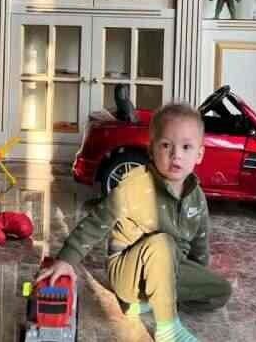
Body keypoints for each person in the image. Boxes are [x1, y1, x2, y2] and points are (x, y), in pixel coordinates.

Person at [35, 103, 231, 342]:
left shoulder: (197, 196)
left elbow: (200, 241)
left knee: (220, 292)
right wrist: (66, 260)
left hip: (170, 270)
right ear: (151, 149)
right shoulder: (135, 185)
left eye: (186, 147)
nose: (176, 155)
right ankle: (167, 327)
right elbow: (96, 223)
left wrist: (197, 274)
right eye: (166, 145)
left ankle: (149, 301)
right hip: (129, 274)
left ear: (199, 154)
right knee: (162, 243)